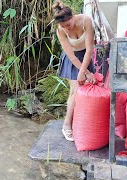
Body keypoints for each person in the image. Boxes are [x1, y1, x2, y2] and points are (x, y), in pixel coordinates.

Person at [53, 0, 96, 141]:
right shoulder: (60, 30)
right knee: (75, 90)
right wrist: (85, 73)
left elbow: (90, 49)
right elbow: (71, 55)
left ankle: (80, 122)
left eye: (68, 25)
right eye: (63, 26)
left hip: (86, 56)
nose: (67, 28)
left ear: (73, 17)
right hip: (73, 59)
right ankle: (66, 125)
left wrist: (86, 71)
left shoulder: (85, 21)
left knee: (87, 89)